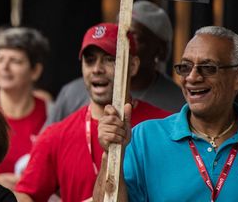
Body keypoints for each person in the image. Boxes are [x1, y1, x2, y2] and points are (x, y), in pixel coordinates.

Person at [92, 26, 238, 201]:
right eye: (185, 67)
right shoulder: (144, 139)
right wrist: (110, 155)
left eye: (208, 68)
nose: (192, 77)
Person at [15, 23, 171, 202]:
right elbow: (25, 196)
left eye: (109, 59)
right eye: (90, 60)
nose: (97, 69)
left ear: (133, 65)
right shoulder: (55, 135)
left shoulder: (164, 125)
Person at [49, 0, 184, 123]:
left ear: (161, 50)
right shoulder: (73, 94)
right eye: (118, 35)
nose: (122, 45)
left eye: (134, 37)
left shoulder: (178, 103)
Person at [0, 27, 49, 186]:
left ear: (35, 71)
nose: (5, 67)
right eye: (0, 60)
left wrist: (29, 185)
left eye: (15, 61)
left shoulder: (53, 113)